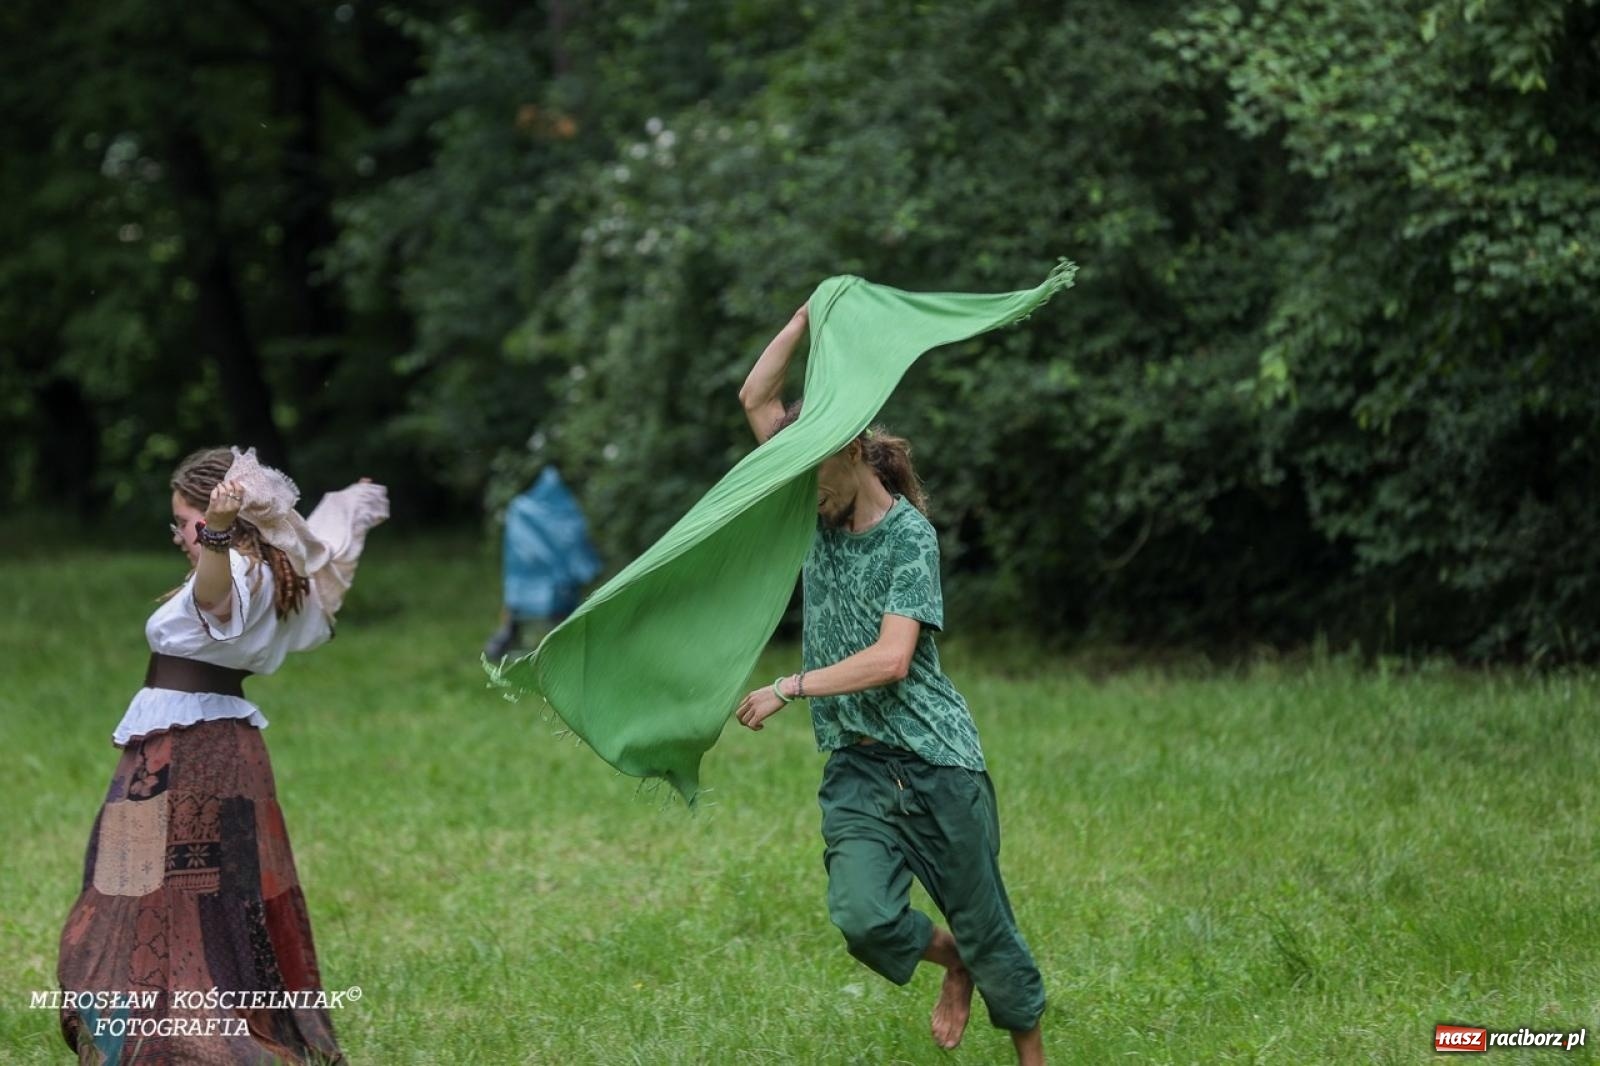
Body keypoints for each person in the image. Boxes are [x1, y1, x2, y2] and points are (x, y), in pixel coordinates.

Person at [733, 304, 1047, 1065]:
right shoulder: (812, 507)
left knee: (988, 925)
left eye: (811, 481)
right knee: (863, 919)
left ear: (848, 450)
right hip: (859, 768)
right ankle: (953, 962)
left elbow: (892, 659)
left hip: (938, 764)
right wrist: (811, 316)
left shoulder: (910, 536)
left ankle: (1030, 1051)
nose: (803, 501)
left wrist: (790, 686)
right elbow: (756, 399)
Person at [58, 446, 387, 1065]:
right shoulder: (280, 576)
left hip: (182, 757)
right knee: (200, 899)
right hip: (215, 750)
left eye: (183, 520)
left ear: (216, 515)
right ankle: (148, 1031)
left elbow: (215, 599)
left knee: (143, 895)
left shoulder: (237, 572)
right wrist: (352, 504)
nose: (181, 535)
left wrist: (212, 533)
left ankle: (168, 1041)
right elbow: (330, 544)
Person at [483, 465, 602, 661]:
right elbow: (577, 551)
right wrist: (588, 568)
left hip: (521, 590)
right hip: (554, 590)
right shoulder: (563, 514)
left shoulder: (521, 510)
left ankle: (508, 638)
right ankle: (562, 648)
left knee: (521, 613)